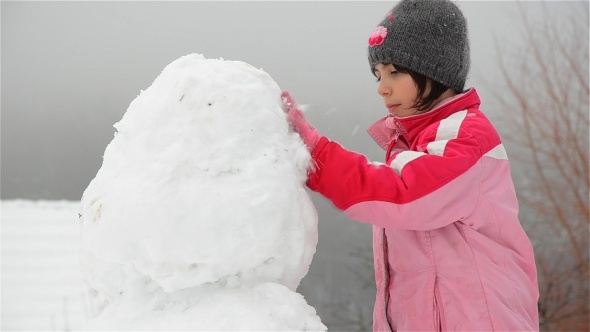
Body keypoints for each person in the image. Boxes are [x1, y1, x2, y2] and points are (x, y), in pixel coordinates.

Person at [281, 0, 539, 331]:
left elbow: (405, 194)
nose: (382, 88)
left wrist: (319, 155)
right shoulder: (416, 143)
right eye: (377, 75)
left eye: (395, 72)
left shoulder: (465, 136)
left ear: (436, 70)